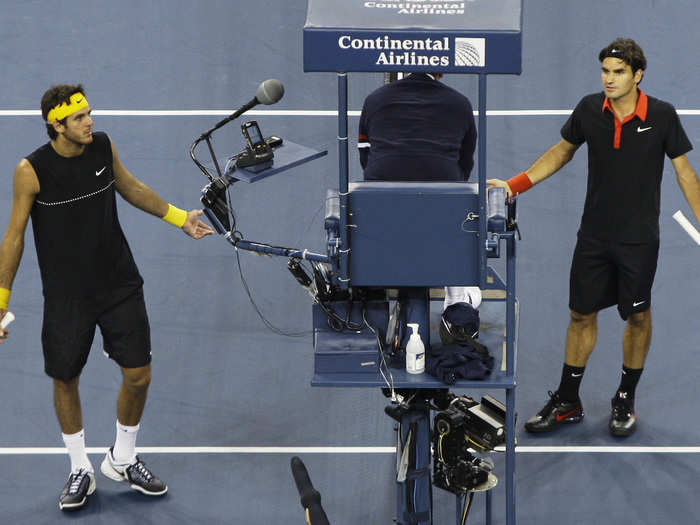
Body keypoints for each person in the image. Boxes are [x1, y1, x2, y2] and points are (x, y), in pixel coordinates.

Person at [0, 84, 214, 510]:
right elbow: (14, 237)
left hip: (118, 283)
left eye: (89, 114)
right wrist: (0, 301)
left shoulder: (102, 147)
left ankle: (123, 457)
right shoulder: (31, 170)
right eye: (79, 118)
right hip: (67, 296)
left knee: (139, 375)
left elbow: (131, 188)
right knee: (66, 378)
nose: (89, 122)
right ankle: (80, 467)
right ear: (56, 125)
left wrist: (179, 218)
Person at [487, 39, 700, 437]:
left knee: (638, 316)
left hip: (638, 241)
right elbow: (561, 151)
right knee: (580, 315)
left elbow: (685, 174)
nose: (609, 79)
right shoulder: (589, 109)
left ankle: (625, 398)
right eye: (605, 71)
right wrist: (515, 185)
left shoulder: (662, 116)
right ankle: (568, 400)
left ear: (638, 75)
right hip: (594, 238)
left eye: (618, 72)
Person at [357, 72, 482, 309]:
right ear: (442, 70)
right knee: (459, 197)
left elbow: (365, 153)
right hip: (442, 203)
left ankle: (372, 291)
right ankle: (456, 291)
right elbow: (466, 160)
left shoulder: (374, 99)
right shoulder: (460, 102)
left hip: (382, 203)